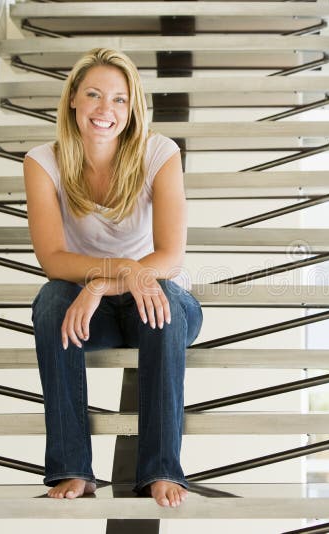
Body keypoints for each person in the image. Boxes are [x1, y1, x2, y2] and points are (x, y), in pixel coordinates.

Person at [23, 48, 203, 508]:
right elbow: (52, 259)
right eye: (95, 95)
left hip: (157, 300)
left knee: (159, 292)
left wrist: (104, 282)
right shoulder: (43, 162)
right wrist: (117, 272)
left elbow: (170, 257)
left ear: (132, 107)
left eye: (120, 99)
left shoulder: (160, 153)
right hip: (94, 311)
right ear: (73, 101)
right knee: (49, 301)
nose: (107, 110)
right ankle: (72, 468)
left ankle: (161, 469)